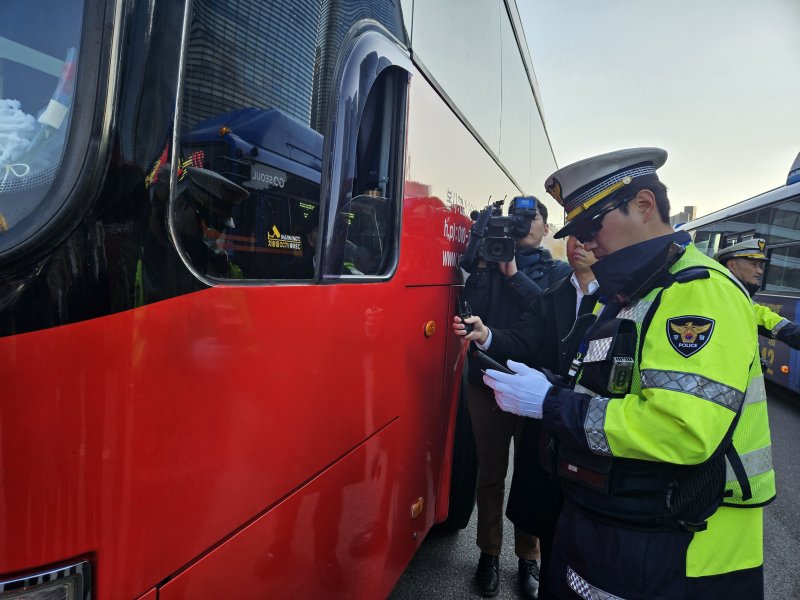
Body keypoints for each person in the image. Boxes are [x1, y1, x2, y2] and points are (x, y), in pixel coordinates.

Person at [482, 148, 775, 599]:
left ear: (643, 205)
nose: (585, 242)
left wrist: (550, 402)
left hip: (683, 545)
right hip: (620, 522)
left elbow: (679, 431)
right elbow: (613, 390)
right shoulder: (633, 292)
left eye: (590, 225)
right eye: (575, 231)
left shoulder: (697, 294)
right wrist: (555, 387)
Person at [454, 235, 598, 599]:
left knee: (534, 474)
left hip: (541, 395)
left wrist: (514, 273)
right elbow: (520, 332)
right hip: (490, 380)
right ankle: (489, 554)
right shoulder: (544, 287)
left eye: (526, 218)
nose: (580, 243)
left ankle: (528, 559)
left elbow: (536, 314)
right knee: (491, 474)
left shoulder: (563, 276)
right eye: (574, 235)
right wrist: (485, 332)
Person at [714, 238, 800, 348]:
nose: (760, 271)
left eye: (760, 266)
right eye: (754, 264)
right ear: (732, 265)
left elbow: (760, 315)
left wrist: (791, 331)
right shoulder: (719, 293)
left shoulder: (736, 295)